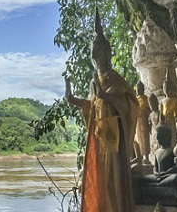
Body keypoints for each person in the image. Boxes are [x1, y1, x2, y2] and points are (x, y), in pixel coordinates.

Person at [66, 12, 139, 212]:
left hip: (114, 140)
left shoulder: (115, 78)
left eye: (102, 51)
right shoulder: (93, 82)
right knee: (98, 178)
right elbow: (92, 106)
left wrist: (107, 97)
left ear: (108, 53)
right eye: (95, 52)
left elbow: (130, 104)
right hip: (99, 137)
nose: (99, 56)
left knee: (113, 180)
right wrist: (74, 100)